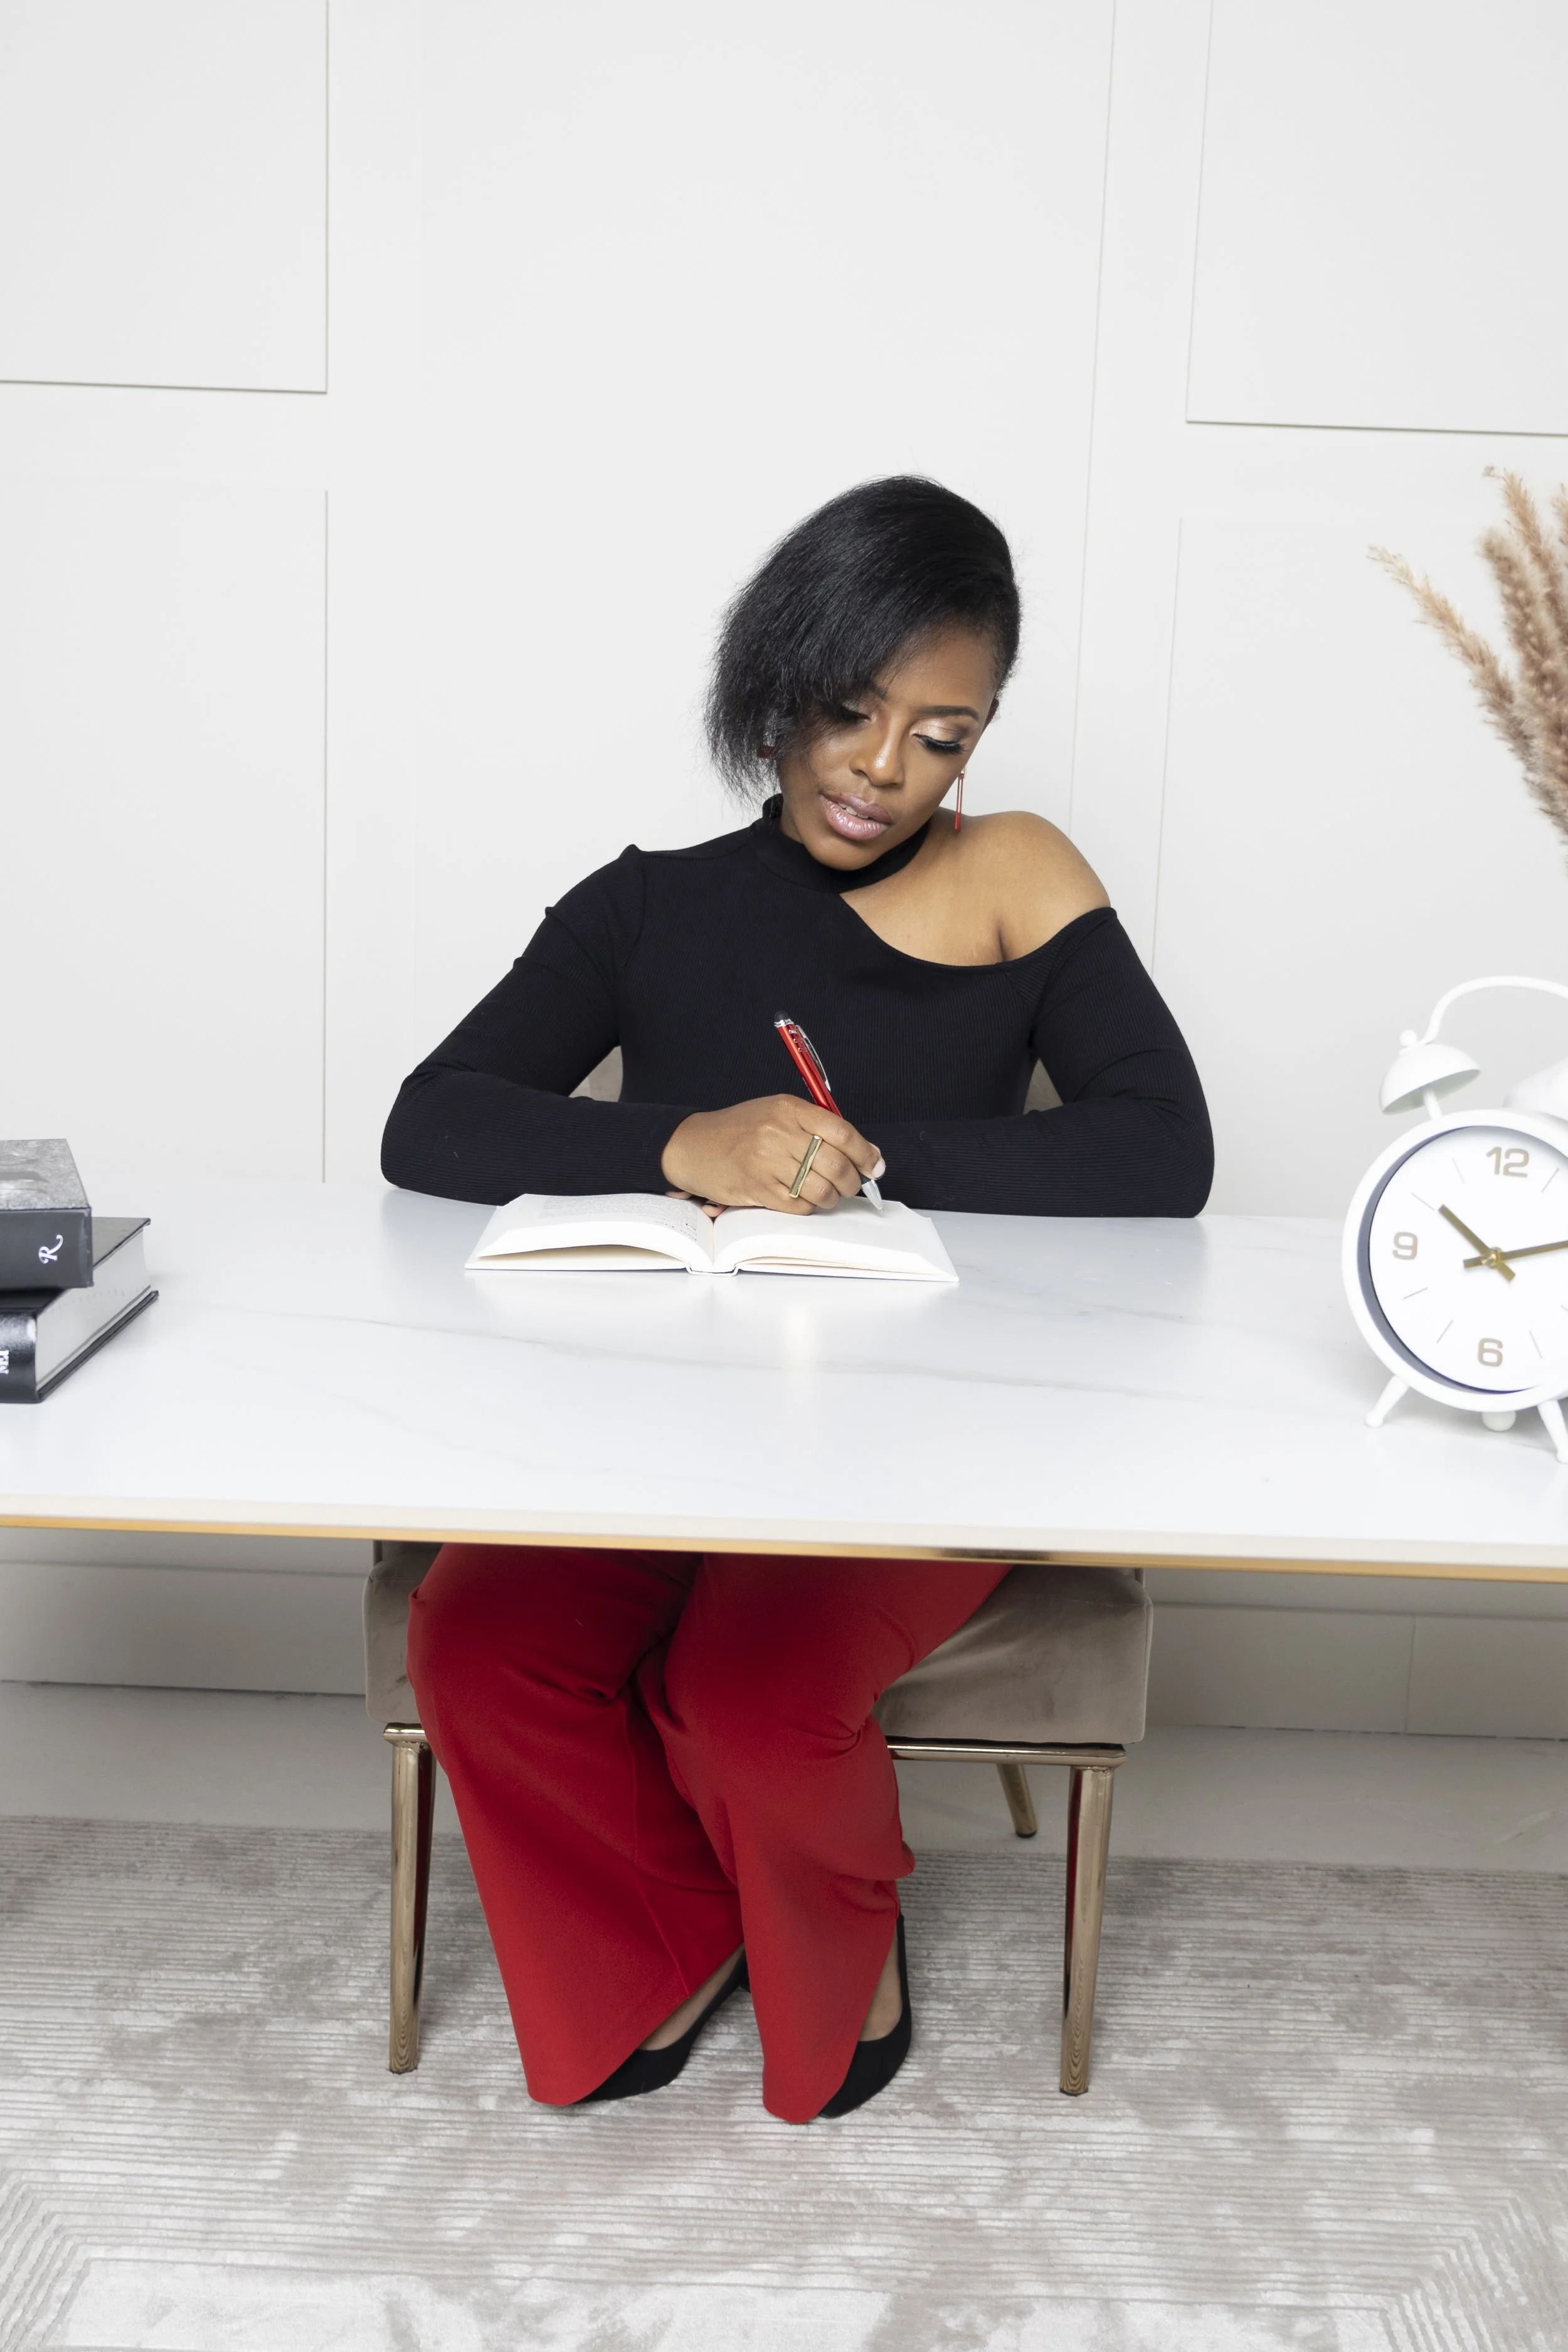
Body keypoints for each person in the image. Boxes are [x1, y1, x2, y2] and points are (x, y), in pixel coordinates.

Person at [381, 477, 1212, 2124]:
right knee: (477, 1636)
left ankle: (846, 1951)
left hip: (933, 1432)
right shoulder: (648, 903)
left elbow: (1163, 1147)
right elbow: (431, 1115)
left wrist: (855, 1154)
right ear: (776, 683)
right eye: (849, 710)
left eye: (942, 732)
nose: (883, 768)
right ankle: (673, 1940)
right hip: (664, 1424)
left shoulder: (1017, 874)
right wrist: (688, 1140)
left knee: (751, 1696)